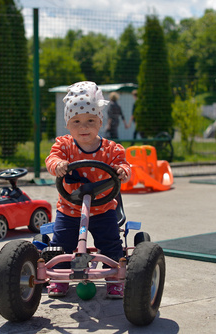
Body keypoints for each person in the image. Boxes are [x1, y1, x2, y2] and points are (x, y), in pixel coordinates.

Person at [45, 81, 131, 299]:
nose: (84, 127)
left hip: (103, 209)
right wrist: (58, 165)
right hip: (70, 209)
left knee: (111, 244)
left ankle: (114, 279)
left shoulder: (111, 149)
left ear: (100, 121)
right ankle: (59, 278)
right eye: (77, 122)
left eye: (90, 121)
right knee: (61, 245)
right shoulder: (65, 146)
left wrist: (122, 169)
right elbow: (51, 159)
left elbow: (123, 163)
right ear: (68, 124)